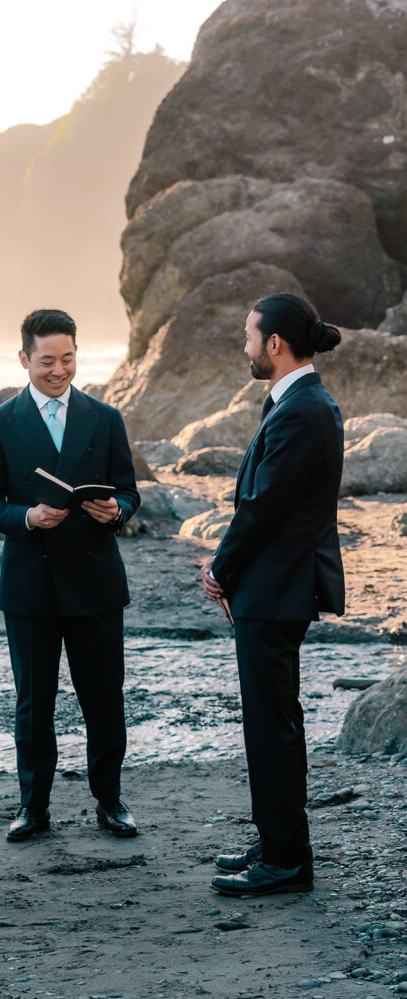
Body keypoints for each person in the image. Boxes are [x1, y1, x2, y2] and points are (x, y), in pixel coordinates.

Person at [0, 308, 141, 841]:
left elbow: (129, 490)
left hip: (95, 581)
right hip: (30, 584)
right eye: (47, 360)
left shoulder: (105, 417)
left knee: (104, 698)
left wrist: (118, 512)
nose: (59, 370)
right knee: (32, 702)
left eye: (68, 358)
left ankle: (110, 800)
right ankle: (33, 806)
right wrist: (26, 517)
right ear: (25, 358)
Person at [201, 292, 345, 897]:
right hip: (277, 585)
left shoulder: (302, 409)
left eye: (248, 334)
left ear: (275, 344)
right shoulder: (299, 402)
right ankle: (278, 839)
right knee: (274, 720)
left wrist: (221, 569)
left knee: (272, 725)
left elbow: (264, 508)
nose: (245, 344)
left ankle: (286, 860)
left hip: (276, 588)